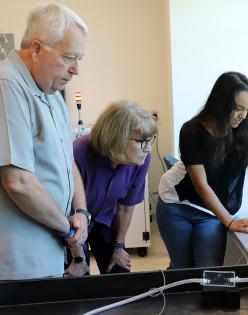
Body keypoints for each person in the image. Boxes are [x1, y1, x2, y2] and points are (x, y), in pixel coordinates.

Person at [0, 4, 90, 280]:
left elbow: (68, 160)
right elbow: (17, 181)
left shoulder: (51, 90)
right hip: (20, 258)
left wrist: (81, 212)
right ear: (37, 49)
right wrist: (67, 228)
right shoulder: (7, 85)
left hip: (51, 244)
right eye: (68, 58)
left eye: (79, 59)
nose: (75, 69)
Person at [157, 71, 248, 268]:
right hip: (177, 205)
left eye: (247, 109)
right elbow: (200, 185)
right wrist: (229, 222)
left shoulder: (245, 127)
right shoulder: (192, 130)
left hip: (211, 210)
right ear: (221, 103)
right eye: (238, 108)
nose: (243, 115)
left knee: (208, 270)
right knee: (182, 269)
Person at [63, 101, 157, 277]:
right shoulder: (78, 154)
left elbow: (125, 207)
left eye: (149, 140)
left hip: (105, 219)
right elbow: (64, 210)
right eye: (141, 141)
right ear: (117, 138)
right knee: (77, 278)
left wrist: (119, 246)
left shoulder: (141, 159)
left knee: (119, 269)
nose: (148, 148)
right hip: (72, 225)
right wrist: (78, 259)